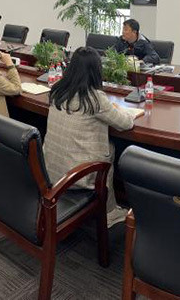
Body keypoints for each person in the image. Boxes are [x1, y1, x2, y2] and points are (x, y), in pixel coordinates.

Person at [44, 47, 144, 227]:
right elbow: (125, 124)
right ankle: (109, 211)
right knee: (109, 149)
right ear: (96, 71)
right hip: (77, 177)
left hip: (51, 171)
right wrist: (122, 111)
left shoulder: (58, 89)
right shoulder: (94, 98)